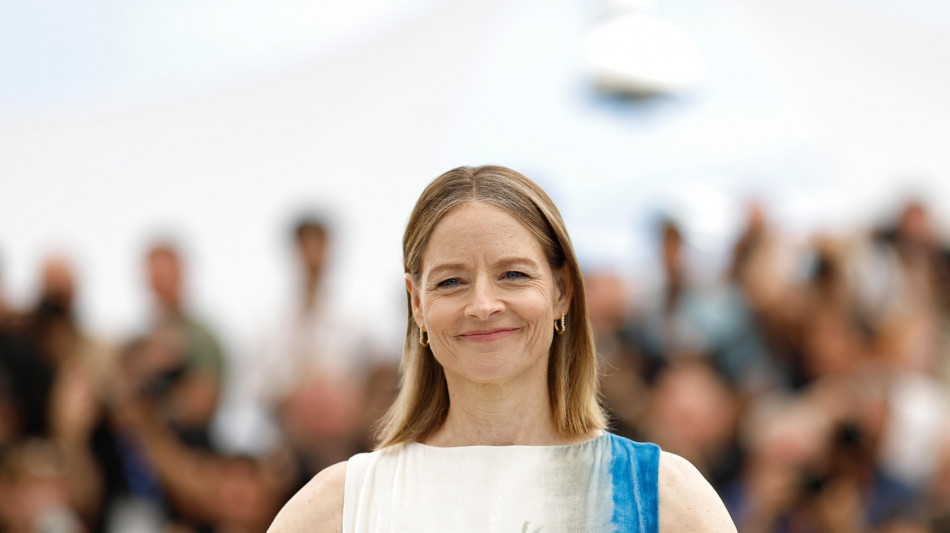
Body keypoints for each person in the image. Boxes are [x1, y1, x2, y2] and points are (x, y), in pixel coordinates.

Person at [268, 165, 736, 532]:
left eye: (513, 274)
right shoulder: (341, 506)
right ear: (417, 303)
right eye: (451, 281)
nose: (483, 305)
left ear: (562, 290)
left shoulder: (662, 498)